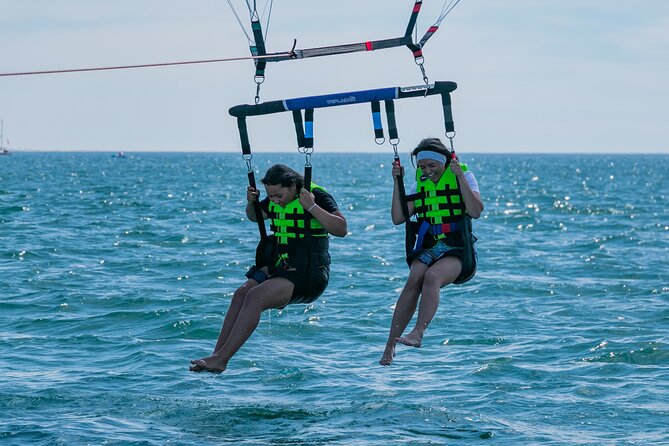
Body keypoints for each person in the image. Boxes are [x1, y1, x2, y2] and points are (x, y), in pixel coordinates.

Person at [190, 164, 347, 373]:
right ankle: (215, 356)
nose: (274, 200)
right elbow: (255, 216)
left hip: (309, 274)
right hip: (280, 267)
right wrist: (251, 203)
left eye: (278, 195)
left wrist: (311, 207)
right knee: (241, 294)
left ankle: (222, 359)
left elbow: (341, 228)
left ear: (292, 185)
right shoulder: (275, 198)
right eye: (270, 196)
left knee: (255, 297)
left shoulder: (315, 195)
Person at [380, 138, 484, 366]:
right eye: (422, 167)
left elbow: (475, 211)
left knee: (431, 277)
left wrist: (458, 176)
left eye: (432, 166)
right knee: (413, 279)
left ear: (444, 162)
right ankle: (390, 344)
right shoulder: (422, 183)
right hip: (430, 246)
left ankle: (418, 332)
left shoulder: (464, 176)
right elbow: (398, 218)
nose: (427, 171)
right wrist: (396, 182)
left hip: (458, 249)